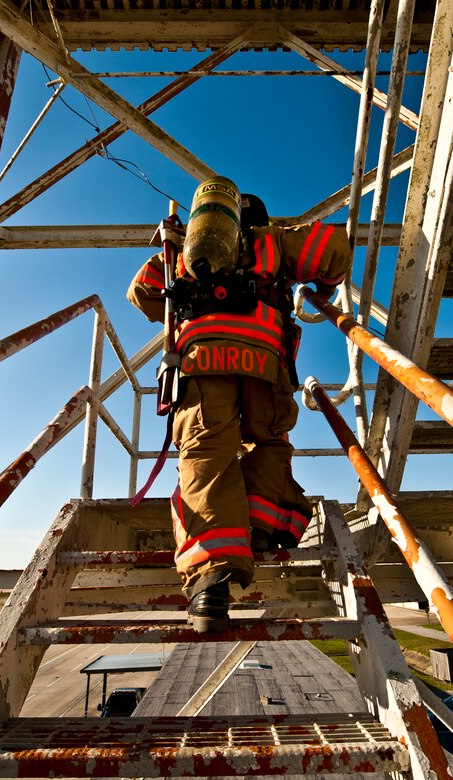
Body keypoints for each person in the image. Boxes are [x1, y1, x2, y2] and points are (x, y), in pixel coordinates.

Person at [127, 179, 352, 633]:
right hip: (265, 365)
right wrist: (320, 286)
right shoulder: (275, 243)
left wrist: (173, 251)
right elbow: (335, 250)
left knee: (205, 456)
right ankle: (260, 529)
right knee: (270, 443)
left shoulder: (185, 254)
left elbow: (142, 293)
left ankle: (211, 583)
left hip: (202, 363)